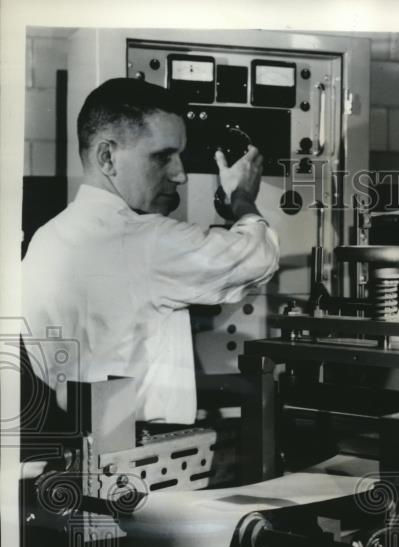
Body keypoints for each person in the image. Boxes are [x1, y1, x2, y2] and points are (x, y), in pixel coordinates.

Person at [22, 77, 280, 426]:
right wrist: (241, 198)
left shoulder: (46, 238)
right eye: (162, 158)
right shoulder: (144, 240)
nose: (180, 175)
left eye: (180, 156)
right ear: (107, 157)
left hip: (73, 440)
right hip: (143, 454)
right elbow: (258, 256)